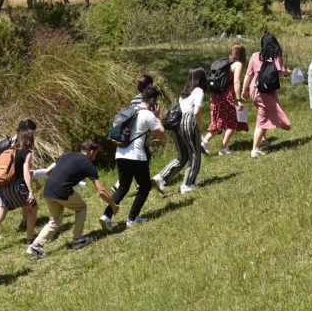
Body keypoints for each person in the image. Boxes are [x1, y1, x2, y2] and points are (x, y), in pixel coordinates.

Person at [27, 139, 118, 258]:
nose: (95, 156)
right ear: (91, 152)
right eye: (95, 153)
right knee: (81, 208)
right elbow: (101, 191)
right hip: (62, 190)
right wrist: (113, 205)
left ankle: (35, 246)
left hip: (48, 189)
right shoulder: (88, 165)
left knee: (54, 221)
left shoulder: (67, 154)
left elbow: (48, 171)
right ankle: (77, 240)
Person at [101, 87, 165, 231]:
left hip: (120, 154)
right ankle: (132, 219)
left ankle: (106, 215)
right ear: (153, 100)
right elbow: (161, 135)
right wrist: (157, 116)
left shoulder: (130, 110)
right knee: (145, 186)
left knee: (123, 186)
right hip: (136, 156)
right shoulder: (148, 115)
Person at [153, 68, 207, 194]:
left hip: (178, 123)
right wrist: (200, 128)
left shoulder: (185, 92)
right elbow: (197, 112)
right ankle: (187, 184)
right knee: (195, 153)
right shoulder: (199, 91)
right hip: (189, 121)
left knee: (182, 156)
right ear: (201, 79)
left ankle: (161, 177)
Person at [0, 130, 38, 252]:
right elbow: (26, 174)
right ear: (29, 140)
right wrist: (30, 191)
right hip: (17, 187)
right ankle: (30, 238)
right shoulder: (26, 153)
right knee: (33, 209)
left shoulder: (8, 151)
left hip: (2, 187)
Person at [242, 33, 291, 157]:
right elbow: (280, 72)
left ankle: (263, 139)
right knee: (262, 119)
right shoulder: (276, 55)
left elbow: (248, 74)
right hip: (266, 91)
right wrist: (288, 72)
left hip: (255, 89)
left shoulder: (255, 55)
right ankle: (255, 149)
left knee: (263, 113)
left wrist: (244, 90)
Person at [201, 45, 249, 155]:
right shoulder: (238, 64)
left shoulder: (224, 63)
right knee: (232, 122)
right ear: (242, 55)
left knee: (219, 122)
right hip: (226, 97)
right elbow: (236, 82)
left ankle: (204, 141)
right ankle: (223, 148)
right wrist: (238, 99)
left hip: (215, 96)